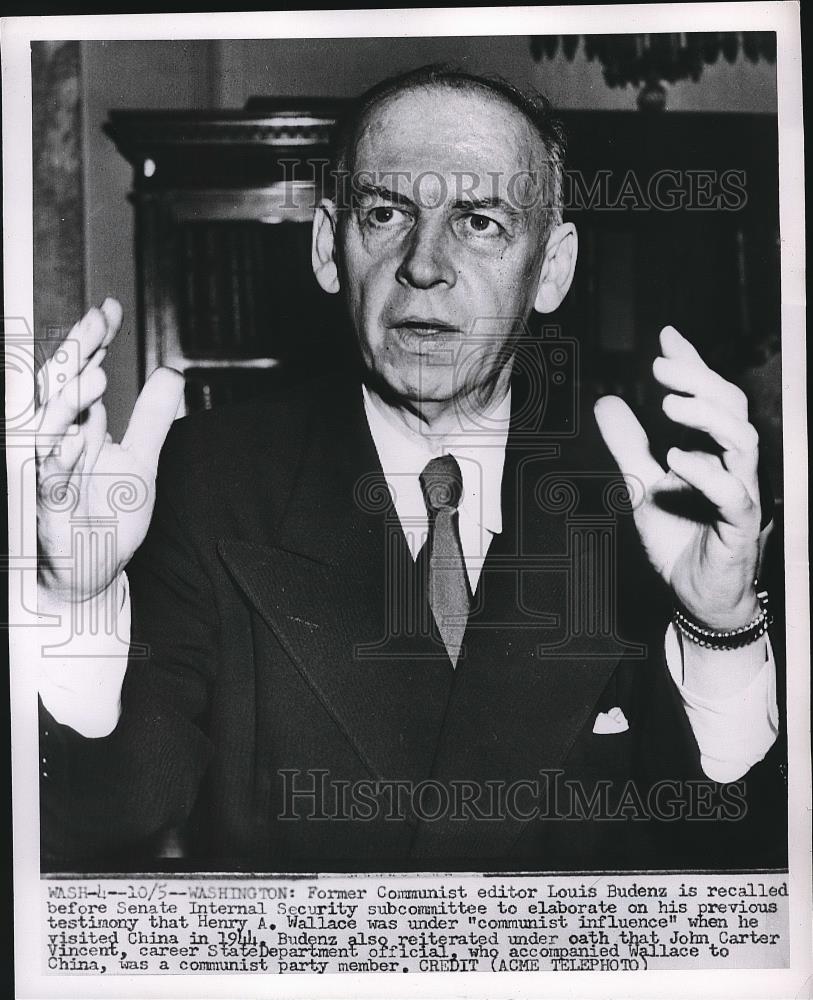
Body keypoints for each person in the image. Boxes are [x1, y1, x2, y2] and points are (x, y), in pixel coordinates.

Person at [36, 66, 784, 872]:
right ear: (328, 248)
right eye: (386, 213)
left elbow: (746, 869)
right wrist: (71, 600)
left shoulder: (650, 500)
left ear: (552, 268)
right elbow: (96, 826)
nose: (424, 264)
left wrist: (718, 625)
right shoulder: (210, 481)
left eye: (480, 222)